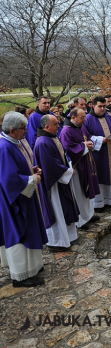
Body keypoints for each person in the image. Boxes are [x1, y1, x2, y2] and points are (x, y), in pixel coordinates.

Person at [0, 111, 48, 287]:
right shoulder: (4, 147)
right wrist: (32, 179)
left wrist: (32, 170)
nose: (26, 131)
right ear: (12, 130)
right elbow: (8, 179)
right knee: (19, 232)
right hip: (14, 200)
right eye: (23, 128)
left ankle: (33, 267)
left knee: (30, 229)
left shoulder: (15, 142)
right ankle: (20, 275)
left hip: (24, 194)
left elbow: (18, 167)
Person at [34, 115, 80, 251]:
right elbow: (50, 165)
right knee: (57, 209)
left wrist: (68, 165)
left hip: (61, 180)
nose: (58, 126)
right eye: (55, 124)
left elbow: (62, 156)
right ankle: (57, 241)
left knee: (65, 208)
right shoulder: (42, 142)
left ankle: (69, 236)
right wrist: (68, 171)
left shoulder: (52, 137)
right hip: (53, 184)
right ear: (47, 127)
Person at [60, 108, 101, 230]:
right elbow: (68, 149)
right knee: (79, 192)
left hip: (86, 163)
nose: (85, 120)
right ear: (73, 118)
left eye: (85, 117)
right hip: (77, 167)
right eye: (82, 117)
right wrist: (84, 146)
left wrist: (91, 142)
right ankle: (81, 220)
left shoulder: (80, 127)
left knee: (86, 191)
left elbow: (88, 137)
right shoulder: (66, 131)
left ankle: (89, 214)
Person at [83, 96, 111, 209]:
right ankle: (99, 203)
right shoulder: (87, 119)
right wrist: (100, 139)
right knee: (100, 176)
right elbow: (85, 136)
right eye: (100, 106)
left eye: (104, 106)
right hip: (98, 154)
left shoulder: (109, 116)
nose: (102, 109)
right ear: (93, 106)